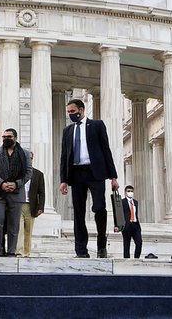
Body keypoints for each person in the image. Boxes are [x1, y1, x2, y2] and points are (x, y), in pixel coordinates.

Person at [59, 98, 119, 258]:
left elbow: (106, 150)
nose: (70, 114)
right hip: (76, 173)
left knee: (99, 207)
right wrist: (63, 180)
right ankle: (81, 250)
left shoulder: (97, 125)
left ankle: (101, 244)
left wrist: (113, 176)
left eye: (72, 111)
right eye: (68, 112)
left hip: (95, 172)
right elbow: (64, 156)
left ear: (81, 110)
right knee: (78, 212)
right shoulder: (67, 131)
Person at [0, 128, 32, 257]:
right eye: (4, 136)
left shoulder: (24, 153)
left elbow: (29, 172)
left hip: (17, 193)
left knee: (14, 224)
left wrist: (16, 184)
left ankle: (11, 251)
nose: (6, 139)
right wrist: (1, 183)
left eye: (9, 136)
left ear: (15, 138)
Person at [18, 151, 45, 258]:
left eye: (30, 158)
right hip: (18, 204)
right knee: (19, 230)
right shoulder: (17, 173)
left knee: (28, 231)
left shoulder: (38, 174)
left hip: (31, 205)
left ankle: (26, 252)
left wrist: (41, 207)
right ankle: (18, 251)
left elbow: (41, 192)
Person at [114, 185, 143, 259]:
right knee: (126, 245)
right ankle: (126, 260)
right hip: (127, 225)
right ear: (125, 192)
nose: (130, 192)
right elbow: (118, 214)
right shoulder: (122, 202)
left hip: (136, 225)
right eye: (128, 191)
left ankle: (136, 259)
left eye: (131, 191)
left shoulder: (135, 202)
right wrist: (117, 225)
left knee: (139, 242)